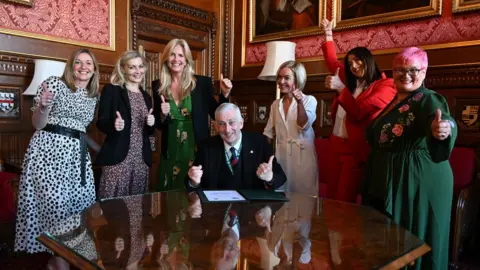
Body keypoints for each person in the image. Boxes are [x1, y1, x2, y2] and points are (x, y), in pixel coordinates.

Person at [364, 47, 457, 270]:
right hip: (392, 176)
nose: (406, 74)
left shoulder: (428, 99)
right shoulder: (394, 101)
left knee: (416, 234)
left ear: (424, 72)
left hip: (418, 179)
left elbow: (445, 121)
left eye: (413, 69)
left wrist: (444, 129)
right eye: (399, 70)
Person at [14, 48, 100, 269]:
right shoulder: (54, 84)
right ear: (71, 66)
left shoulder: (92, 96)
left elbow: (81, 131)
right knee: (56, 211)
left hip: (77, 161)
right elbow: (38, 123)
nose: (83, 67)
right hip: (48, 157)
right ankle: (60, 266)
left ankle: (56, 262)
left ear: (94, 69)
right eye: (78, 62)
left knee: (77, 212)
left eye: (88, 63)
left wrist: (103, 152)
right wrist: (43, 106)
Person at [320, 19, 396, 202]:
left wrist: (340, 89)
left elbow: (359, 112)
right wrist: (328, 34)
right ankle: (330, 231)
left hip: (354, 150)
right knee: (330, 197)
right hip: (335, 144)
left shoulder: (386, 85)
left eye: (358, 61)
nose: (354, 66)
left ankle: (343, 231)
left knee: (344, 200)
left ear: (368, 60)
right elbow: (332, 61)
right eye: (350, 63)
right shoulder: (350, 82)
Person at [152, 38, 233, 191]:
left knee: (193, 194)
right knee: (170, 195)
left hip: (195, 147)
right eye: (172, 55)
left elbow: (216, 113)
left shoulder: (201, 83)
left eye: (181, 56)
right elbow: (158, 124)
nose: (176, 59)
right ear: (166, 58)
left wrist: (225, 94)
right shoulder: (158, 85)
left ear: (187, 59)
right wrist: (162, 115)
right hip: (171, 150)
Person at [96, 50, 155, 198]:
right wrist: (114, 126)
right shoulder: (111, 90)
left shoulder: (146, 96)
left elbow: (148, 131)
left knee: (136, 211)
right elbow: (101, 122)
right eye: (132, 67)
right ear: (123, 69)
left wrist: (151, 124)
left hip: (140, 161)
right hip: (117, 158)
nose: (138, 71)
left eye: (140, 66)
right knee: (112, 208)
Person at [187, 103, 286, 190]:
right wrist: (194, 182)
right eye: (221, 124)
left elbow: (281, 177)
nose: (227, 130)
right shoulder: (206, 147)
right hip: (216, 208)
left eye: (232, 122)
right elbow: (192, 182)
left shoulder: (259, 143)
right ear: (216, 126)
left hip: (252, 208)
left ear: (241, 123)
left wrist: (270, 178)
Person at [263, 60, 318, 196]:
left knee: (303, 203)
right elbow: (268, 134)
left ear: (298, 80)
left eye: (286, 78)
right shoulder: (276, 105)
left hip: (302, 160)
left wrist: (299, 103)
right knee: (281, 204)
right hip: (281, 160)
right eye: (279, 77)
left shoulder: (309, 100)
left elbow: (303, 125)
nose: (281, 81)